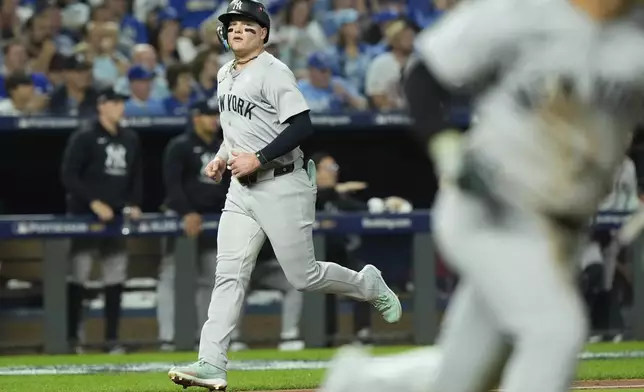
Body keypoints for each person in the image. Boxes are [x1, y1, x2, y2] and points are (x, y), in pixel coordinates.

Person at [322, 1, 644, 392]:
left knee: (461, 378)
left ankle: (360, 384)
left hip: (562, 229)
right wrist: (443, 143)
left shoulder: (634, 38)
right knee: (554, 331)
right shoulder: (521, 12)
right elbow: (423, 74)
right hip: (493, 204)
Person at [168, 1, 401, 389]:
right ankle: (211, 362)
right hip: (241, 191)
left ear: (263, 33)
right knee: (227, 274)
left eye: (246, 24)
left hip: (283, 182)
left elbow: (302, 126)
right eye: (232, 25)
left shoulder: (274, 71)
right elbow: (234, 130)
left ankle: (367, 284)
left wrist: (257, 158)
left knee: (303, 276)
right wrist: (221, 157)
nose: (237, 30)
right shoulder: (225, 73)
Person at [60, 87, 143, 354]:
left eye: (122, 103)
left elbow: (136, 176)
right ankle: (72, 339)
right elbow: (69, 175)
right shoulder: (85, 136)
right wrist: (93, 202)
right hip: (85, 217)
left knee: (115, 277)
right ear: (102, 106)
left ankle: (111, 340)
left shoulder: (130, 138)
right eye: (116, 103)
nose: (121, 107)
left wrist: (134, 203)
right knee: (79, 275)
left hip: (117, 218)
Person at [157, 99, 229, 351]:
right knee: (171, 277)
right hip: (182, 220)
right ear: (195, 117)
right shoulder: (181, 145)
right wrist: (187, 211)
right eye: (208, 114)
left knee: (212, 279)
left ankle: (205, 338)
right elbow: (172, 184)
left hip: (214, 220)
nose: (214, 119)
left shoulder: (224, 146)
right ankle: (167, 337)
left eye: (216, 115)